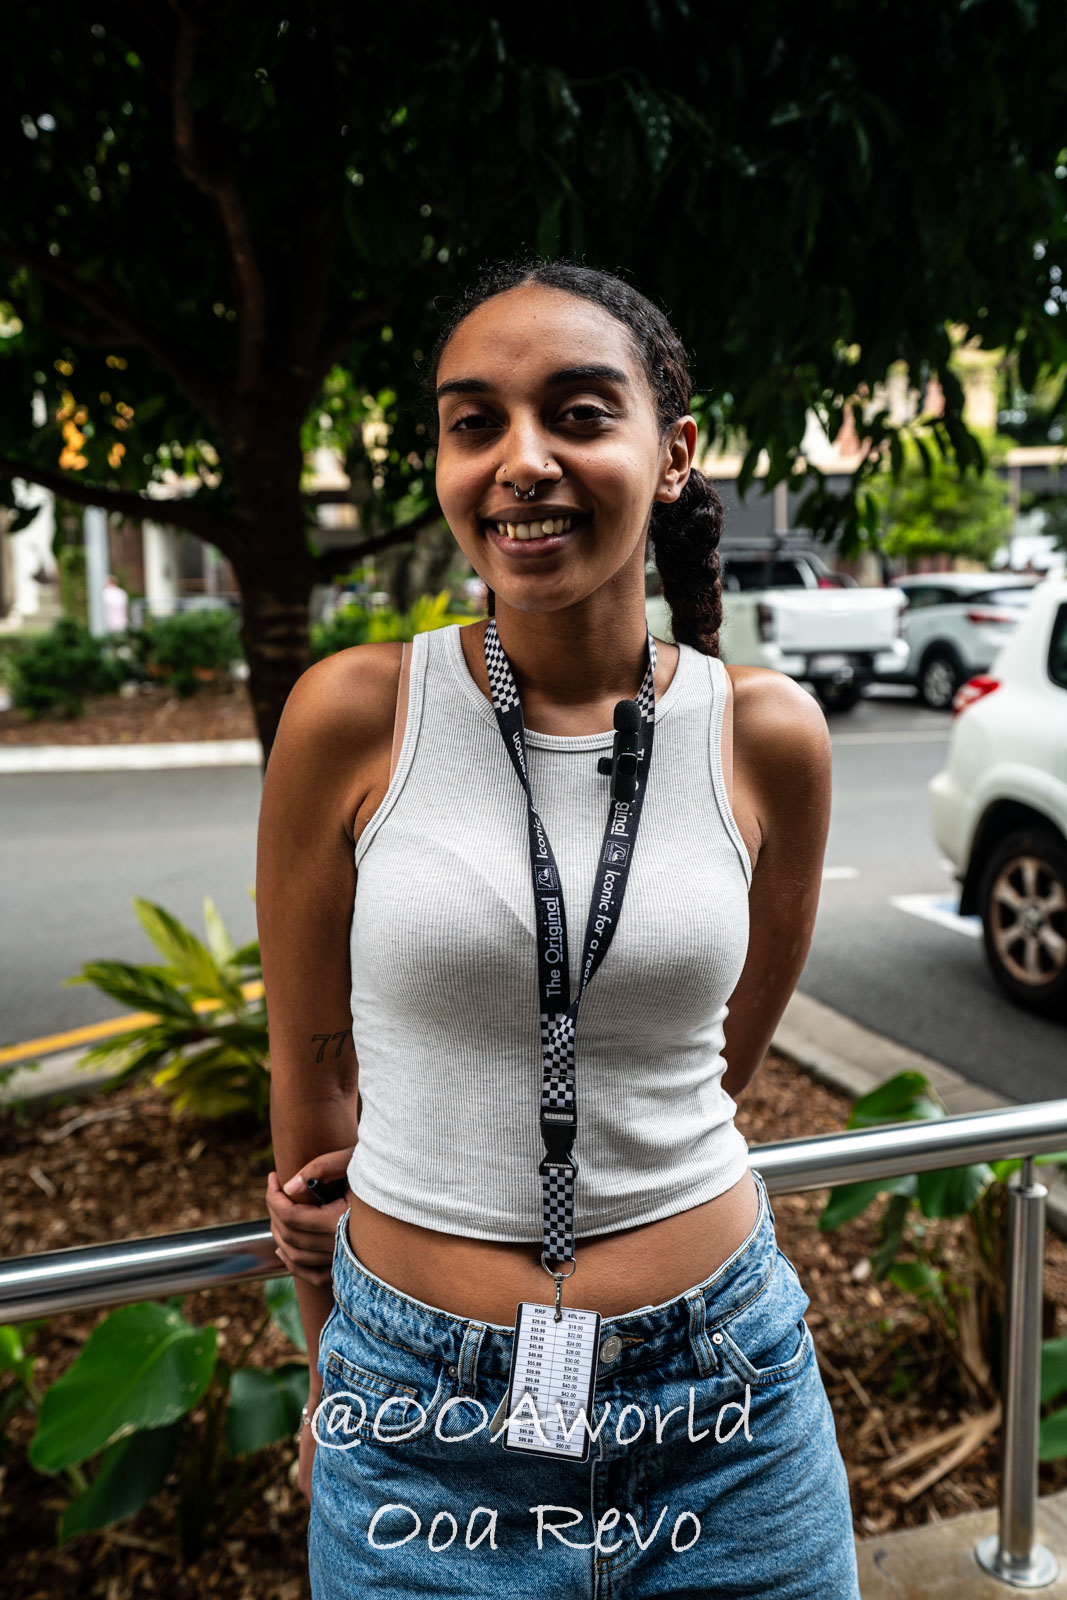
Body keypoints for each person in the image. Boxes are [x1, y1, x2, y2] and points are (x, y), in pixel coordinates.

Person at [257, 259, 860, 1597]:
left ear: (674, 451)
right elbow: (310, 1072)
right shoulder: (356, 715)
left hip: (730, 1417)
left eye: (579, 413)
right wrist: (329, 1365)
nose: (521, 461)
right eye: (474, 423)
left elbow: (715, 1059)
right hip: (418, 1419)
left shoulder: (767, 739)